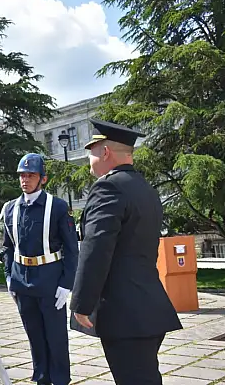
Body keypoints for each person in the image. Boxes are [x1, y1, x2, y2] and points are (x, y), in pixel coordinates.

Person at [69, 119, 182, 385]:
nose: (89, 159)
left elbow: (96, 248)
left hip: (124, 313)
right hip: (148, 306)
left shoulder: (108, 187)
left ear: (105, 152)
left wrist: (82, 303)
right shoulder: (145, 188)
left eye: (91, 152)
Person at [0, 153, 79, 385]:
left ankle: (61, 380)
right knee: (34, 336)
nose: (25, 180)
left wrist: (66, 284)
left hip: (50, 282)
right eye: (22, 175)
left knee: (55, 337)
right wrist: (8, 277)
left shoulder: (58, 207)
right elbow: (7, 247)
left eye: (31, 175)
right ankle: (41, 379)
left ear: (43, 179)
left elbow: (72, 249)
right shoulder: (10, 209)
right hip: (22, 282)